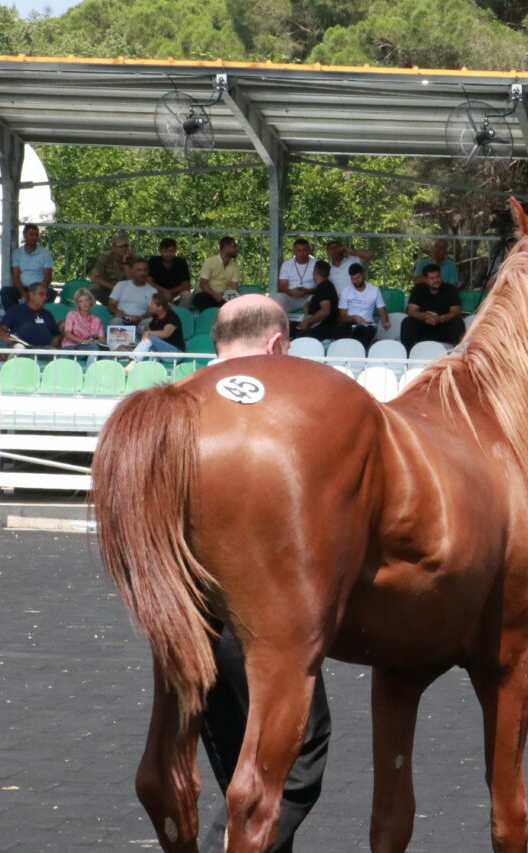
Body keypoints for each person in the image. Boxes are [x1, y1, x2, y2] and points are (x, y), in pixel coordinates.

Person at [202, 295, 331, 853]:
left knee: (241, 765)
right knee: (295, 756)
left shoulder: (177, 401)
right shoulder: (277, 408)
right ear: (278, 346)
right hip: (255, 616)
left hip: (187, 617)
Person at [400, 264, 463, 351]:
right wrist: (425, 316)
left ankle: (458, 355)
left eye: (437, 277)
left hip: (443, 326)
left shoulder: (450, 289)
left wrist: (441, 318)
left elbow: (456, 311)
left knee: (458, 323)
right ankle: (408, 355)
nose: (436, 280)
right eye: (432, 278)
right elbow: (411, 311)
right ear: (425, 280)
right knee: (407, 322)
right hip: (424, 326)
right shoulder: (418, 289)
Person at [339, 262, 390, 347]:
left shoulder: (374, 290)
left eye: (358, 277)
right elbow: (342, 317)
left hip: (368, 325)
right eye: (353, 279)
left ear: (363, 275)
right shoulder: (346, 291)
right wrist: (354, 318)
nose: (356, 281)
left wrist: (385, 322)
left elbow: (382, 310)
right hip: (350, 324)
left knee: (365, 333)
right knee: (340, 330)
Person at [0, 282, 60, 348]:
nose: (45, 298)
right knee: (18, 348)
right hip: (22, 347)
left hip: (43, 350)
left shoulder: (48, 314)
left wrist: (53, 344)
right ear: (31, 295)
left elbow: (56, 334)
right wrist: (5, 337)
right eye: (41, 294)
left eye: (46, 295)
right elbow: (1, 329)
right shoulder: (15, 311)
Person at [6, 223, 55, 308]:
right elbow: (15, 276)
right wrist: (22, 292)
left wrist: (38, 292)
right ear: (24, 235)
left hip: (39, 288)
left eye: (36, 235)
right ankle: (13, 316)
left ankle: (40, 315)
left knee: (51, 293)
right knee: (5, 292)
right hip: (22, 288)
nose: (34, 237)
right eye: (31, 234)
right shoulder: (17, 253)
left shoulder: (45, 253)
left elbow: (48, 277)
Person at [293, 260, 342, 342]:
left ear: (315, 272)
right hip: (320, 326)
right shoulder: (323, 286)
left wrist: (308, 322)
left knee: (295, 337)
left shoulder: (325, 287)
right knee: (291, 327)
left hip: (324, 329)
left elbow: (325, 311)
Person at [195, 236, 242, 310]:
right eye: (234, 246)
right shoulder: (209, 261)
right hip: (206, 294)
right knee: (204, 301)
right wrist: (215, 295)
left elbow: (234, 289)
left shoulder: (235, 266)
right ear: (226, 247)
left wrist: (225, 299)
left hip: (223, 296)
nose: (237, 249)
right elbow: (203, 284)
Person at [109, 258, 157, 327]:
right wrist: (117, 312)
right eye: (139, 270)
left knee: (151, 322)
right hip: (122, 318)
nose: (142, 273)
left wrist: (140, 317)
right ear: (132, 271)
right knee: (116, 321)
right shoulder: (121, 285)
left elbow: (152, 312)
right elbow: (111, 303)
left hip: (141, 321)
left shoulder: (153, 291)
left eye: (145, 270)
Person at [274, 238, 318, 313]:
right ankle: (284, 323)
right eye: (299, 250)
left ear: (309, 251)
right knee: (275, 298)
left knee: (318, 299)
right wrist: (290, 292)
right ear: (294, 251)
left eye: (305, 250)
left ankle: (306, 322)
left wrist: (308, 291)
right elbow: (282, 286)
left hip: (309, 296)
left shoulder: (317, 264)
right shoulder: (286, 264)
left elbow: (322, 285)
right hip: (291, 296)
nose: (302, 253)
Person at [88, 234, 132, 304]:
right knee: (94, 288)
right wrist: (113, 287)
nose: (124, 248)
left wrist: (125, 262)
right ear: (113, 248)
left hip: (125, 292)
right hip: (108, 289)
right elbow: (94, 278)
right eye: (121, 246)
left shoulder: (132, 258)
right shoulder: (105, 257)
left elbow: (131, 280)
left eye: (126, 246)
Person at [147, 237, 192, 305]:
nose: (168, 254)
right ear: (160, 251)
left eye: (171, 251)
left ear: (175, 251)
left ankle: (179, 314)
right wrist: (164, 292)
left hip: (176, 295)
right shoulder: (153, 261)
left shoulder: (181, 262)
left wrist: (169, 292)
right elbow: (149, 282)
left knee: (187, 295)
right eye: (165, 251)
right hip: (158, 294)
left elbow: (186, 285)